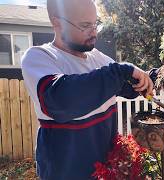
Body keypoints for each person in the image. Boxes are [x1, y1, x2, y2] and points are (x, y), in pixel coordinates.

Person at [21, 0, 156, 179]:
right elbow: (61, 101)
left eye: (95, 24)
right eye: (85, 25)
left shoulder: (97, 58)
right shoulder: (40, 57)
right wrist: (121, 71)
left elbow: (131, 87)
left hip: (107, 172)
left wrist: (161, 75)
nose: (94, 31)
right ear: (57, 22)